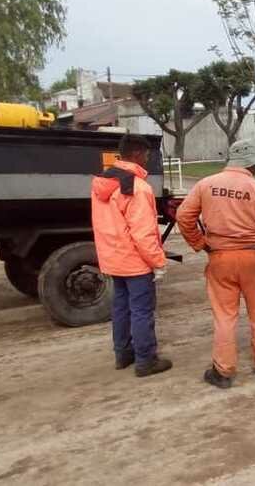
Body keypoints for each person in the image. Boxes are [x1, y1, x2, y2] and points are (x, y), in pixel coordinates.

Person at [176, 140, 255, 389]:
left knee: (224, 316)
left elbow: (183, 216)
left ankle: (223, 372)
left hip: (220, 258)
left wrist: (200, 243)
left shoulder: (206, 185)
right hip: (254, 260)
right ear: (252, 164)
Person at [91, 134, 172, 377]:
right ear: (137, 154)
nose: (147, 159)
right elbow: (144, 233)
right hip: (135, 262)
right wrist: (158, 263)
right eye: (146, 155)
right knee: (141, 310)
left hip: (113, 259)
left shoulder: (102, 183)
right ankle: (146, 360)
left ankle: (123, 354)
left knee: (121, 307)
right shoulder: (137, 187)